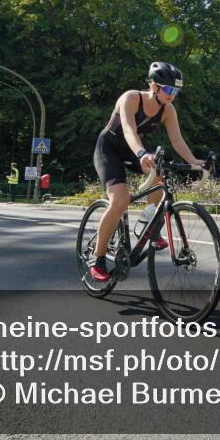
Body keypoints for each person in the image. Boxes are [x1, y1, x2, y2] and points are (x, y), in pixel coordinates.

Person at [89, 62, 206, 282]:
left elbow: (177, 140)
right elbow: (128, 130)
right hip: (110, 149)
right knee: (120, 201)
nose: (172, 95)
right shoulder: (131, 98)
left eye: (176, 91)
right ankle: (99, 258)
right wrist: (143, 154)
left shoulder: (168, 109)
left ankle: (146, 223)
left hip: (136, 150)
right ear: (154, 86)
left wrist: (195, 162)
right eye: (169, 89)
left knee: (161, 176)